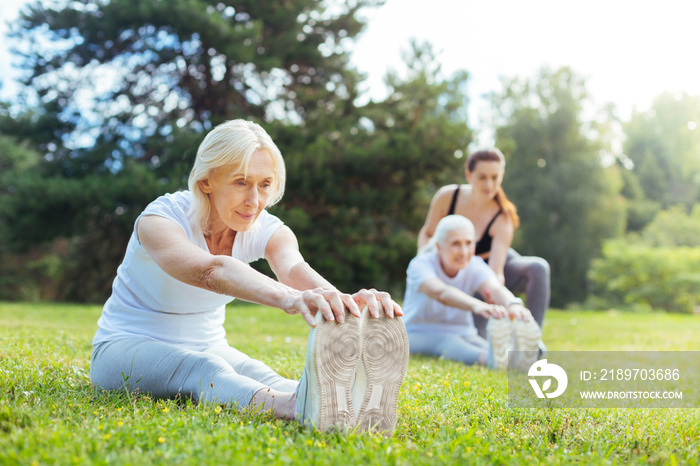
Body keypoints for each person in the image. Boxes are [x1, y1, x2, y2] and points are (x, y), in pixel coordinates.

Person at [90, 119, 409, 435]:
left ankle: (344, 401)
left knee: (260, 373)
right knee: (204, 370)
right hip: (123, 347)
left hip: (209, 344)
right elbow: (212, 271)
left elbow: (293, 268)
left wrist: (346, 304)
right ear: (206, 181)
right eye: (241, 182)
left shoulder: (268, 228)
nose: (254, 201)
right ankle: (293, 408)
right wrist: (293, 299)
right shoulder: (160, 220)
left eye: (265, 184)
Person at [417, 148, 550, 339]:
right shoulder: (447, 197)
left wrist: (495, 296)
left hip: (488, 272)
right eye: (482, 177)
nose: (489, 184)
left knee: (538, 267)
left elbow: (495, 273)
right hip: (455, 271)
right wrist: (425, 263)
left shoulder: (502, 217)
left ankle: (531, 338)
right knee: (475, 337)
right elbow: (428, 233)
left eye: (495, 177)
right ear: (469, 175)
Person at [404, 215, 542, 369]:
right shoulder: (420, 265)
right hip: (416, 332)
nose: (464, 252)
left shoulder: (474, 265)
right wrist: (478, 306)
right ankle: (489, 360)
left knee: (480, 343)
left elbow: (494, 288)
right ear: (439, 246)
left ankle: (512, 357)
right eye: (455, 244)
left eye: (469, 243)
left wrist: (513, 304)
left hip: (464, 332)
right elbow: (441, 293)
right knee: (448, 342)